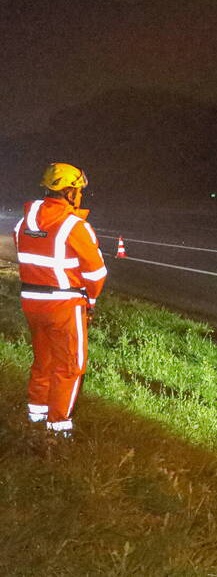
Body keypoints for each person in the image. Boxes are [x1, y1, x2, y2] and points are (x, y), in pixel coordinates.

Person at [14, 163, 107, 439]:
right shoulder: (75, 226)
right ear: (69, 192)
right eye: (78, 190)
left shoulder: (23, 222)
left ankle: (35, 414)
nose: (79, 195)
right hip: (65, 305)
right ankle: (58, 428)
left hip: (31, 302)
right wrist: (89, 301)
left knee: (43, 359)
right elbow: (96, 273)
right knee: (69, 365)